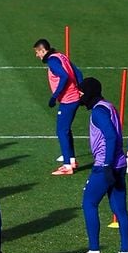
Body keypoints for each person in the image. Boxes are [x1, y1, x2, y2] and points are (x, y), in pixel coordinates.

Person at [71, 77, 128, 253]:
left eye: (81, 92)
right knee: (120, 209)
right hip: (119, 164)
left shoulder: (98, 111)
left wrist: (105, 165)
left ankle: (94, 251)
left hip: (105, 165)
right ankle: (125, 252)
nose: (79, 95)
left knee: (89, 203)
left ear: (89, 92)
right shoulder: (109, 106)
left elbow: (111, 136)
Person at [33, 38, 83, 175]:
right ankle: (71, 160)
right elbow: (77, 72)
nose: (37, 55)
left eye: (37, 52)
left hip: (68, 100)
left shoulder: (52, 61)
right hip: (74, 97)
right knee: (66, 130)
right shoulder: (61, 56)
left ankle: (67, 166)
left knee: (61, 130)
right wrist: (80, 88)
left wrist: (54, 96)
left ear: (43, 50)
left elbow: (64, 76)